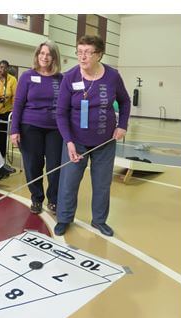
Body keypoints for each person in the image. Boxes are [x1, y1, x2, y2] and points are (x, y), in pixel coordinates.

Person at [53, 35, 131, 237]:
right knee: (68, 182)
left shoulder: (112, 76)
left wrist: (122, 125)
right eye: (79, 51)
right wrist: (69, 142)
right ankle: (64, 218)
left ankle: (99, 221)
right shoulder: (70, 77)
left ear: (99, 54)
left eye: (87, 52)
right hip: (76, 142)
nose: (82, 56)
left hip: (105, 143)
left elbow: (124, 101)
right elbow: (61, 113)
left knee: (102, 184)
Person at [10, 40, 64, 214]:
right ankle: (36, 198)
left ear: (54, 57)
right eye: (42, 53)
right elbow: (18, 104)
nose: (45, 57)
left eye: (48, 54)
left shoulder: (61, 79)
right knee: (33, 164)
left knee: (55, 166)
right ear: (37, 55)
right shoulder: (27, 76)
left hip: (55, 129)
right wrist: (14, 130)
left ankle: (53, 200)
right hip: (30, 126)